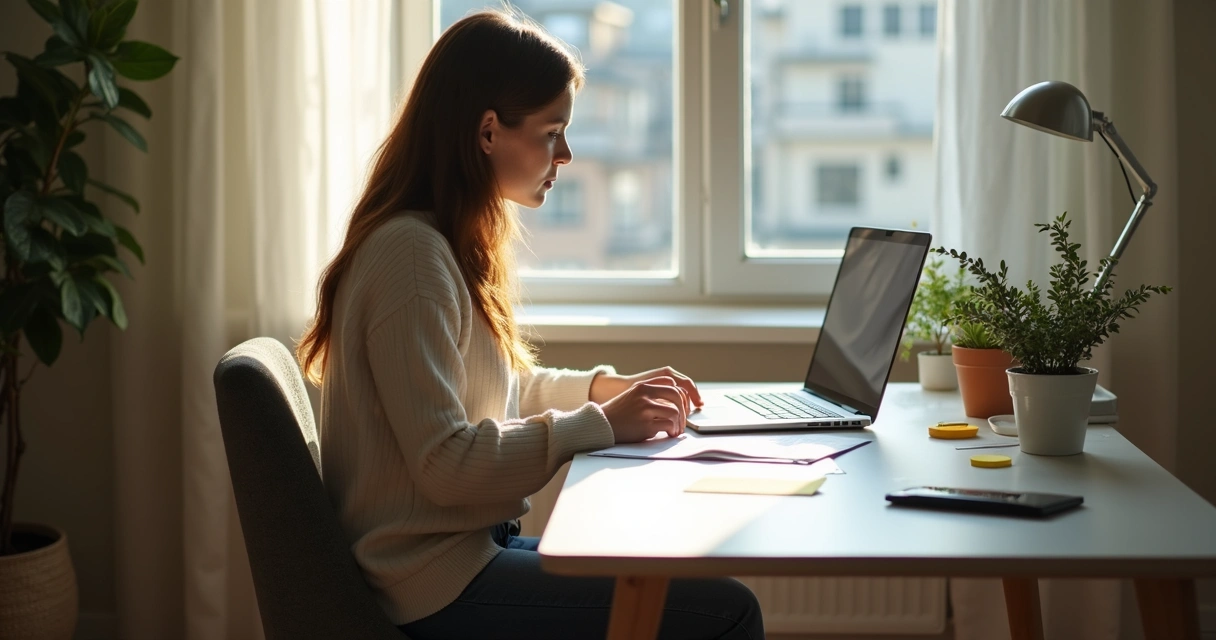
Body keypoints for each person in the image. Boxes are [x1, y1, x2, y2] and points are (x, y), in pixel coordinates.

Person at [296, 9, 764, 640]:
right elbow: (445, 462)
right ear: (488, 132)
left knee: (664, 574)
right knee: (726, 611)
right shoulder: (411, 257)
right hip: (429, 584)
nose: (565, 155)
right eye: (551, 133)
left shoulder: (440, 241)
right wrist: (600, 424)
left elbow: (496, 390)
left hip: (460, 557)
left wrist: (605, 391)